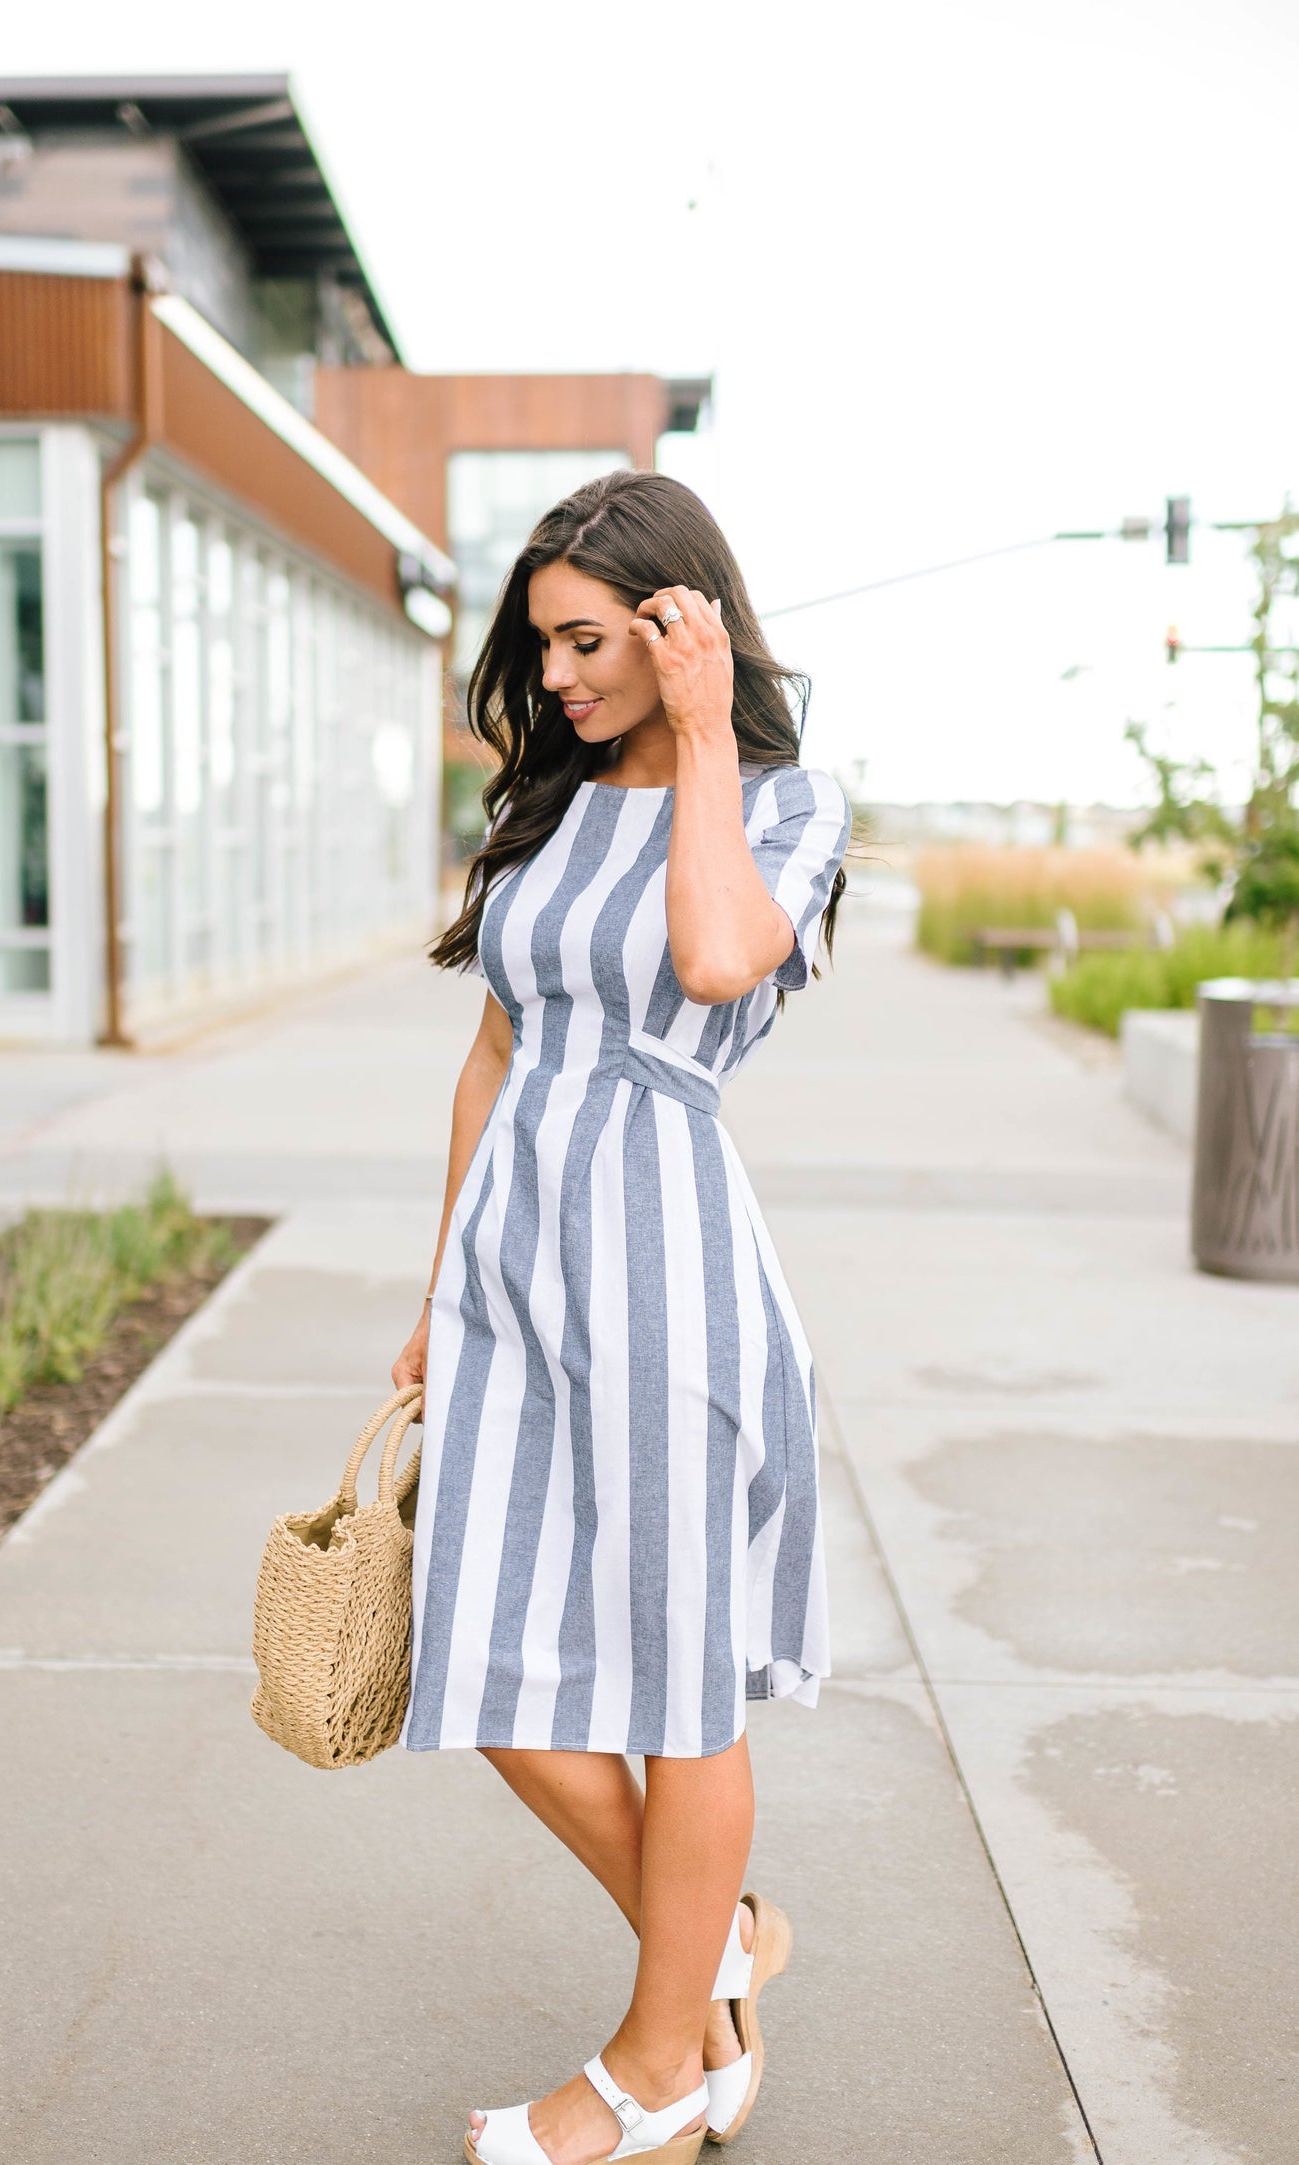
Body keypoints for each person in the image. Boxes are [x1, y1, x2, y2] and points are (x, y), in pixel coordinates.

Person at [391, 469, 851, 2165]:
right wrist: (440, 1288)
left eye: (589, 640)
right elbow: (494, 1049)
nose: (562, 677)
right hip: (515, 1273)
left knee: (670, 1683)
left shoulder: (787, 808)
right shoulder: (548, 803)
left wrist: (712, 735)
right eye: (546, 646)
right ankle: (714, 1935)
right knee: (484, 1652)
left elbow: (721, 958)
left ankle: (661, 2062)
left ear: (679, 623)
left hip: (669, 1268)